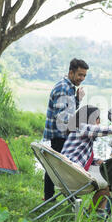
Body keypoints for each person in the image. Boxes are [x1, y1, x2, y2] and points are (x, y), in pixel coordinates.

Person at [61, 105, 112, 217]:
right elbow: (103, 130)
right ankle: (95, 212)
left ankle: (95, 212)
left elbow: (79, 155)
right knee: (108, 179)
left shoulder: (78, 131)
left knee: (106, 176)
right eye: (97, 118)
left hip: (66, 174)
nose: (99, 121)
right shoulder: (82, 127)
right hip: (72, 176)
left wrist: (96, 161)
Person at [41, 58, 88, 201]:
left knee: (55, 166)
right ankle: (70, 199)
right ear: (71, 72)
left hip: (62, 134)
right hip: (59, 134)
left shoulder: (69, 87)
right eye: (80, 74)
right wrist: (77, 131)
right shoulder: (63, 87)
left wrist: (78, 99)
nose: (82, 78)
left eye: (84, 75)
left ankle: (50, 197)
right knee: (63, 167)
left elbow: (69, 111)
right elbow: (61, 117)